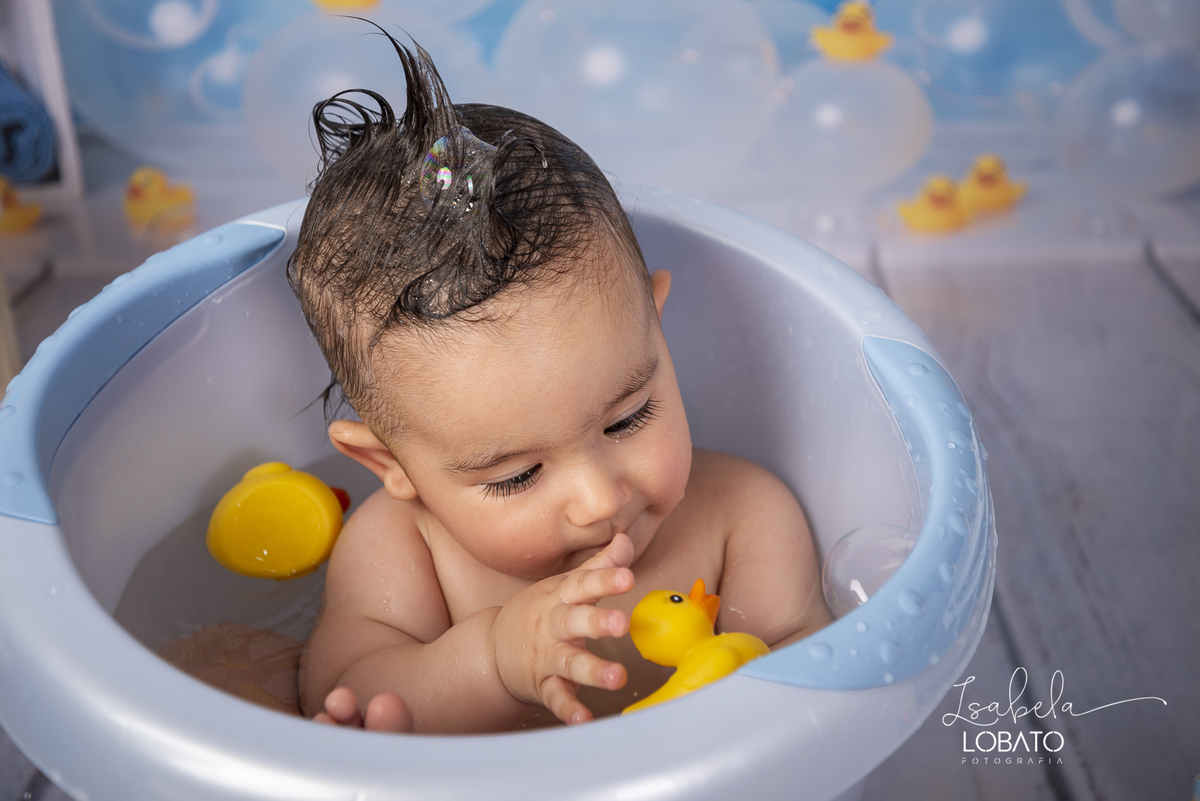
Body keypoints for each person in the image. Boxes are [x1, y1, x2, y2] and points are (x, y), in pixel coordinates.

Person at [289, 30, 830, 734]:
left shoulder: (743, 519)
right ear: (389, 464)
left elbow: (814, 689)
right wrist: (493, 659)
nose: (601, 498)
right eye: (516, 476)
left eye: (628, 419)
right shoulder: (400, 550)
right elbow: (345, 696)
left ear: (657, 334)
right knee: (240, 671)